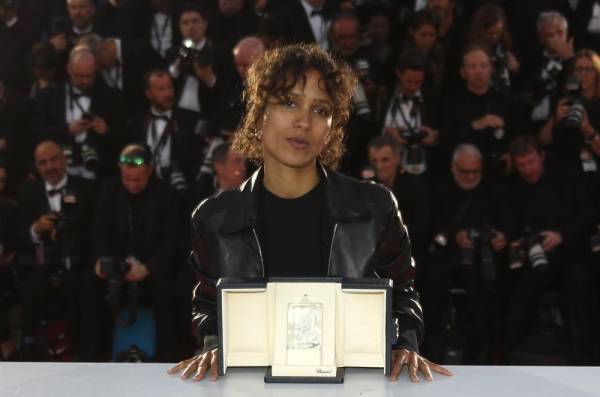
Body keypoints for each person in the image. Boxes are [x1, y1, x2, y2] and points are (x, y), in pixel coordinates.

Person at [168, 43, 451, 382]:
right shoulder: (213, 219)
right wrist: (214, 345)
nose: (303, 121)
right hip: (249, 385)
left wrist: (405, 344)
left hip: (354, 386)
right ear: (259, 115)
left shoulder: (375, 208)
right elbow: (208, 304)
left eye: (321, 110)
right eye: (289, 103)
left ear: (331, 128)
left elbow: (403, 293)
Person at [423, 144, 511, 364]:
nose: (471, 176)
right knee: (432, 281)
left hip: (485, 259)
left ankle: (486, 349)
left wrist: (502, 237)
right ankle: (433, 348)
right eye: (465, 171)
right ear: (454, 168)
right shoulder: (440, 189)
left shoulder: (495, 190)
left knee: (488, 290)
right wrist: (455, 235)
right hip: (448, 257)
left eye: (476, 171)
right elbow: (429, 225)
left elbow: (509, 223)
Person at [92, 144, 180, 361]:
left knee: (169, 287)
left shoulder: (166, 194)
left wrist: (148, 268)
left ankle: (167, 355)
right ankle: (94, 355)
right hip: (118, 262)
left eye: (137, 180)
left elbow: (173, 241)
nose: (131, 185)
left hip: (153, 264)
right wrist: (100, 260)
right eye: (127, 179)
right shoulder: (109, 190)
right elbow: (98, 231)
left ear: (149, 170)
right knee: (89, 286)